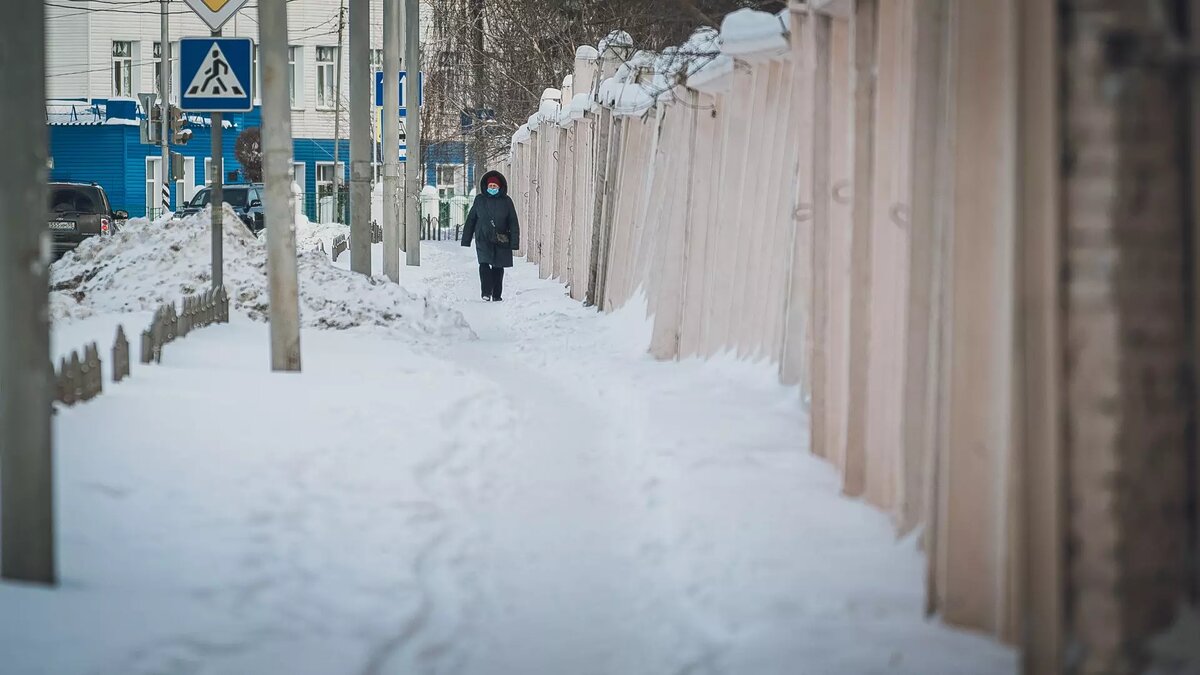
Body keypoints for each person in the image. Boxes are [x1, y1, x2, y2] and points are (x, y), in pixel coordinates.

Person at [461, 170, 521, 302]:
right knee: (484, 264)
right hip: (483, 238)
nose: (492, 188)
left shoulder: (506, 201)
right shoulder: (480, 200)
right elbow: (471, 219)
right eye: (490, 186)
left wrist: (514, 242)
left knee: (498, 267)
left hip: (501, 238)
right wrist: (466, 239)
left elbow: (513, 222)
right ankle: (486, 291)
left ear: (500, 187)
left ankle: (497, 294)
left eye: (495, 186)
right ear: (486, 186)